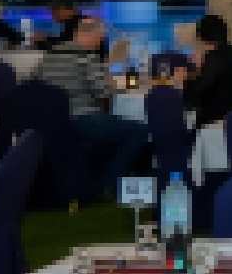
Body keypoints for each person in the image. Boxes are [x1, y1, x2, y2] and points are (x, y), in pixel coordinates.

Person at [33, 15, 149, 196]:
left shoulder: (50, 54)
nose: (100, 44)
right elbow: (103, 91)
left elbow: (36, 84)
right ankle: (109, 184)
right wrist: (134, 82)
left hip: (52, 122)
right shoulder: (86, 55)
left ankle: (100, 177)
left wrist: (114, 78)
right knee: (139, 131)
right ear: (92, 35)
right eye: (100, 39)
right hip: (82, 118)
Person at [179, 14, 232, 128]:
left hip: (217, 122)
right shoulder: (231, 51)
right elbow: (212, 81)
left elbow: (193, 96)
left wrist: (183, 81)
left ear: (203, 38)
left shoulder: (214, 58)